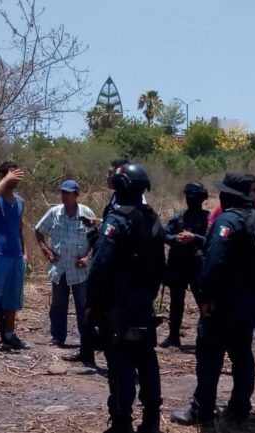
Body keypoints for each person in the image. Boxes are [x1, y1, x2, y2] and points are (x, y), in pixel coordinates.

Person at [172, 174, 255, 432]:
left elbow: (213, 261)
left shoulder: (227, 220)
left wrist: (206, 297)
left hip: (224, 303)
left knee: (209, 356)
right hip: (251, 301)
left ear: (229, 195)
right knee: (242, 354)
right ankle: (240, 409)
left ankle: (202, 409)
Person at [87, 163, 165, 433]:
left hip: (119, 303)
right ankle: (152, 419)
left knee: (120, 361)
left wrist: (92, 303)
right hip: (144, 301)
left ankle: (121, 422)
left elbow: (100, 266)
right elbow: (159, 262)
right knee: (146, 358)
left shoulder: (118, 218)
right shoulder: (151, 217)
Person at [207, 175, 255, 378]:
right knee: (241, 345)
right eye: (253, 189)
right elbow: (211, 242)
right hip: (247, 287)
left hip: (243, 288)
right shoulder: (221, 214)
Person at [34, 179, 97, 366]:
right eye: (62, 192)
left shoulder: (86, 213)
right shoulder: (54, 213)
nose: (64, 196)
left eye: (68, 193)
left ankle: (85, 341)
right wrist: (46, 250)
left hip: (80, 269)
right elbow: (38, 231)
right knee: (58, 304)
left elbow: (97, 238)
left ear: (76, 195)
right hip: (59, 267)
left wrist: (88, 257)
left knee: (82, 306)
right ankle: (57, 336)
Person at [0, 161, 29, 353]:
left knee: (13, 298)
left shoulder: (20, 201)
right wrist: (5, 180)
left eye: (17, 173)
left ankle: (9, 335)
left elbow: (19, 228)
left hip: (15, 255)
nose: (15, 177)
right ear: (2, 175)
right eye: (11, 173)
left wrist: (25, 252)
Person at [159, 182, 209, 348]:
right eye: (188, 196)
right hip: (178, 264)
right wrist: (175, 239)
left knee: (203, 301)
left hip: (198, 265)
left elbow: (211, 241)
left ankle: (205, 336)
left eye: (194, 197)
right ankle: (173, 335)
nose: (190, 199)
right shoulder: (178, 217)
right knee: (176, 302)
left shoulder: (208, 218)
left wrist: (194, 238)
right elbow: (165, 235)